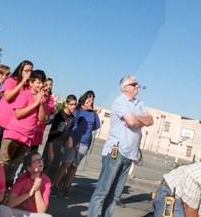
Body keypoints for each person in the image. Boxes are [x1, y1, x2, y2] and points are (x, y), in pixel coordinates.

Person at [87, 76, 153, 217]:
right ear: (125, 88)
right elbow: (132, 122)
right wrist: (137, 119)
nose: (137, 86)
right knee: (103, 191)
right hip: (115, 152)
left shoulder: (139, 103)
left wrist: (136, 118)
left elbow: (150, 120)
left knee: (115, 195)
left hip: (130, 154)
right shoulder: (119, 101)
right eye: (133, 84)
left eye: (137, 83)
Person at [0, 70, 50, 184]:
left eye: (42, 82)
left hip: (27, 138)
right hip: (13, 134)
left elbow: (41, 119)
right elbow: (18, 114)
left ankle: (4, 194)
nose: (41, 85)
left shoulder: (40, 99)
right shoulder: (25, 94)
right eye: (38, 82)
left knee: (14, 167)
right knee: (3, 165)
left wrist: (41, 103)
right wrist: (35, 104)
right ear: (31, 83)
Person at [54, 90, 99, 197]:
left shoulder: (93, 113)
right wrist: (71, 139)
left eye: (92, 98)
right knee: (66, 164)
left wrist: (94, 112)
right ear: (84, 98)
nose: (91, 99)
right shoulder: (77, 110)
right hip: (72, 141)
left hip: (84, 143)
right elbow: (70, 123)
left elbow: (96, 126)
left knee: (74, 166)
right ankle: (55, 186)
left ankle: (66, 188)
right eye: (89, 96)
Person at [0, 61, 32, 139]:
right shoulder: (11, 80)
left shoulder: (28, 87)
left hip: (12, 124)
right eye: (26, 71)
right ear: (20, 70)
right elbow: (7, 97)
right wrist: (22, 82)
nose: (28, 73)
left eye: (30, 71)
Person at [0, 151, 51, 217]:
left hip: (33, 214)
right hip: (17, 212)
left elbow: (42, 211)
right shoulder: (22, 179)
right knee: (2, 208)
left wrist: (37, 190)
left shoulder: (46, 181)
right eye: (36, 161)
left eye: (41, 159)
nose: (40, 162)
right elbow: (10, 203)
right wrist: (29, 194)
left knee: (47, 216)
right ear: (29, 168)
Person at [44, 94, 76, 177]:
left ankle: (49, 187)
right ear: (66, 104)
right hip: (52, 143)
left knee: (54, 168)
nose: (73, 106)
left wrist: (69, 140)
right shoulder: (59, 115)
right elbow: (51, 134)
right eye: (71, 104)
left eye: (75, 104)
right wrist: (50, 150)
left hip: (61, 146)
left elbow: (69, 131)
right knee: (46, 165)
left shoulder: (72, 118)